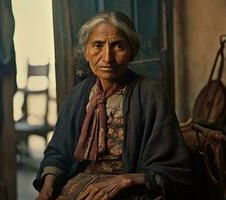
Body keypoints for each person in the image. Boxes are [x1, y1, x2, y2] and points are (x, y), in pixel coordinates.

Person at [34, 11, 191, 200]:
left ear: (132, 51)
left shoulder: (151, 94)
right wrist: (47, 187)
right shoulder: (79, 95)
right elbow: (59, 150)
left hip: (131, 191)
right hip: (82, 184)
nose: (108, 57)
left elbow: (173, 171)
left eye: (118, 46)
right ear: (86, 52)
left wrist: (125, 180)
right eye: (98, 45)